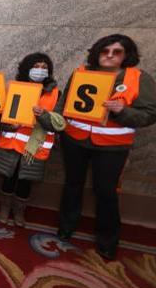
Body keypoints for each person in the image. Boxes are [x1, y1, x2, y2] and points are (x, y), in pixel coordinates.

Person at [57, 34, 156, 260]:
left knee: (106, 192)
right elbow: (65, 103)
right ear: (97, 53)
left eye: (117, 51)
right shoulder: (81, 73)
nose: (110, 55)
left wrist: (123, 111)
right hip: (75, 140)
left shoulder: (139, 78)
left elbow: (150, 114)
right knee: (72, 184)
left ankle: (107, 240)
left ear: (126, 55)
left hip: (112, 146)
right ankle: (66, 226)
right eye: (105, 50)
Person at [0, 52, 64, 227]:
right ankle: (4, 208)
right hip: (12, 144)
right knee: (9, 178)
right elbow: (1, 119)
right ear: (27, 69)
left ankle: (19, 211)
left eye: (44, 68)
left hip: (34, 147)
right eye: (36, 67)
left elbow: (59, 123)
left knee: (25, 181)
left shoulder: (55, 93)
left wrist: (43, 116)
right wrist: (10, 126)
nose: (40, 70)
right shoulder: (13, 87)